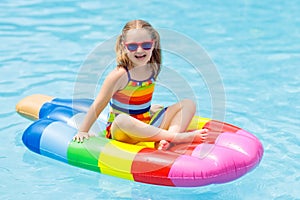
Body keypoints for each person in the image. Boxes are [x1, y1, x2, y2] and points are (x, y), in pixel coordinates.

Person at [73, 19, 208, 150]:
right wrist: (83, 130)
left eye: (146, 45)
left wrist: (150, 111)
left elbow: (139, 101)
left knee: (188, 103)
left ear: (153, 44)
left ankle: (165, 140)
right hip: (122, 132)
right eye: (132, 46)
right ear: (123, 46)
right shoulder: (120, 75)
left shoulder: (152, 68)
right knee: (122, 119)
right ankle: (176, 137)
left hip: (146, 124)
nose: (139, 50)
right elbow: (99, 104)